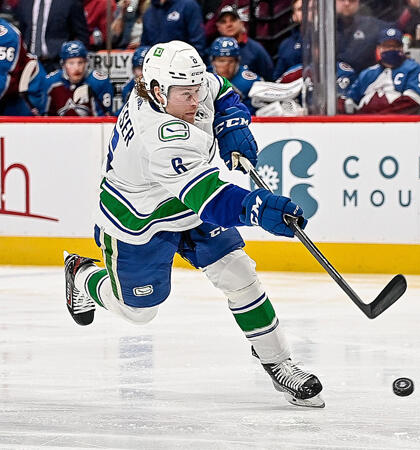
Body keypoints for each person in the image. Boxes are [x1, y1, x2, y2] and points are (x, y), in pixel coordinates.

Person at [63, 40, 324, 408]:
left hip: (188, 206)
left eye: (196, 89)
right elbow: (213, 201)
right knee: (139, 311)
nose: (196, 100)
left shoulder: (184, 86)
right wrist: (258, 209)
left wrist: (231, 121)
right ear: (156, 91)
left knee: (239, 274)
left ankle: (278, 361)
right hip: (140, 218)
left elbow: (223, 90)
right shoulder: (159, 134)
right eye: (186, 94)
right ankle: (82, 276)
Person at [344, 27, 420, 114]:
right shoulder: (367, 73)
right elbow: (350, 99)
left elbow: (412, 102)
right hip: (364, 124)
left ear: (402, 48)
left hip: (399, 124)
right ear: (379, 48)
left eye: (395, 46)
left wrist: (379, 117)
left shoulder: (415, 70)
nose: (391, 49)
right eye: (387, 46)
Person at [40, 40, 114, 116]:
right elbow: (45, 119)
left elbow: (104, 119)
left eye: (80, 62)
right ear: (63, 65)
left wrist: (91, 93)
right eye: (71, 63)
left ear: (86, 63)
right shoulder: (51, 82)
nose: (76, 68)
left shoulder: (99, 82)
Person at [15, 0, 89, 73]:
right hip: (29, 64)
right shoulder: (24, 2)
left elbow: (82, 36)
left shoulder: (70, 2)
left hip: (58, 64)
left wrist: (72, 62)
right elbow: (22, 32)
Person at [214, 5, 272, 80]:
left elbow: (269, 79)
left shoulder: (256, 49)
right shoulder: (212, 50)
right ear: (218, 27)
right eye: (223, 22)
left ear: (241, 23)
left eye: (233, 20)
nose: (229, 24)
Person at [209, 36, 261, 112]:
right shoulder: (204, 77)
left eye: (231, 61)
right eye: (221, 61)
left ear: (238, 62)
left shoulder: (251, 83)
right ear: (212, 61)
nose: (226, 67)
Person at [140, 0, 206, 58]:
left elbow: (198, 43)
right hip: (155, 66)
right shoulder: (149, 12)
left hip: (183, 65)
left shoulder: (188, 5)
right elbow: (144, 45)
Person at [336, 0, 387, 73]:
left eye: (352, 0)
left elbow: (397, 27)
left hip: (364, 80)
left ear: (358, 2)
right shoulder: (322, 28)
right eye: (342, 0)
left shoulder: (372, 26)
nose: (347, 3)